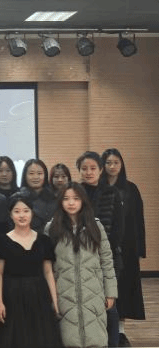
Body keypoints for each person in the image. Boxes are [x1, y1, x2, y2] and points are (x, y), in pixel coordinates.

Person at [46, 183, 118, 348]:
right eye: (66, 199)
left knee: (96, 338)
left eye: (76, 198)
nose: (71, 203)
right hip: (65, 295)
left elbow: (107, 261)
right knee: (68, 339)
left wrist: (110, 293)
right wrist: (51, 297)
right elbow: (48, 268)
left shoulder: (96, 226)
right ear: (60, 202)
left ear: (83, 201)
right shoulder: (52, 228)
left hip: (94, 294)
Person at [0, 193, 62, 348]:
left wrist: (55, 301)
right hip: (12, 296)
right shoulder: (2, 240)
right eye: (17, 211)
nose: (22, 215)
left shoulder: (44, 240)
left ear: (32, 212)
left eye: (26, 211)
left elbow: (48, 272)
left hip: (39, 295)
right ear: (10, 214)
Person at [77, 151, 124, 347]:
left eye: (93, 168)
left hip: (108, 258)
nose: (89, 172)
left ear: (101, 170)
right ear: (79, 171)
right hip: (82, 259)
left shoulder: (112, 193)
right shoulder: (75, 193)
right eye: (84, 168)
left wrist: (106, 253)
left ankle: (112, 343)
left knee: (109, 306)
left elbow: (118, 228)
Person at [101, 148, 146, 345]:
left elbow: (139, 221)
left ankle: (120, 331)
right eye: (108, 162)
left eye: (116, 162)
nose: (112, 166)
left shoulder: (131, 189)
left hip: (127, 248)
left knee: (125, 290)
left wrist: (140, 249)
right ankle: (104, 329)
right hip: (104, 246)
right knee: (105, 289)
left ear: (121, 165)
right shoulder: (98, 188)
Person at [19, 159, 56, 232]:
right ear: (25, 176)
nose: (35, 177)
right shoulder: (18, 198)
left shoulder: (54, 198)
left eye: (39, 173)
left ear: (45, 175)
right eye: (31, 173)